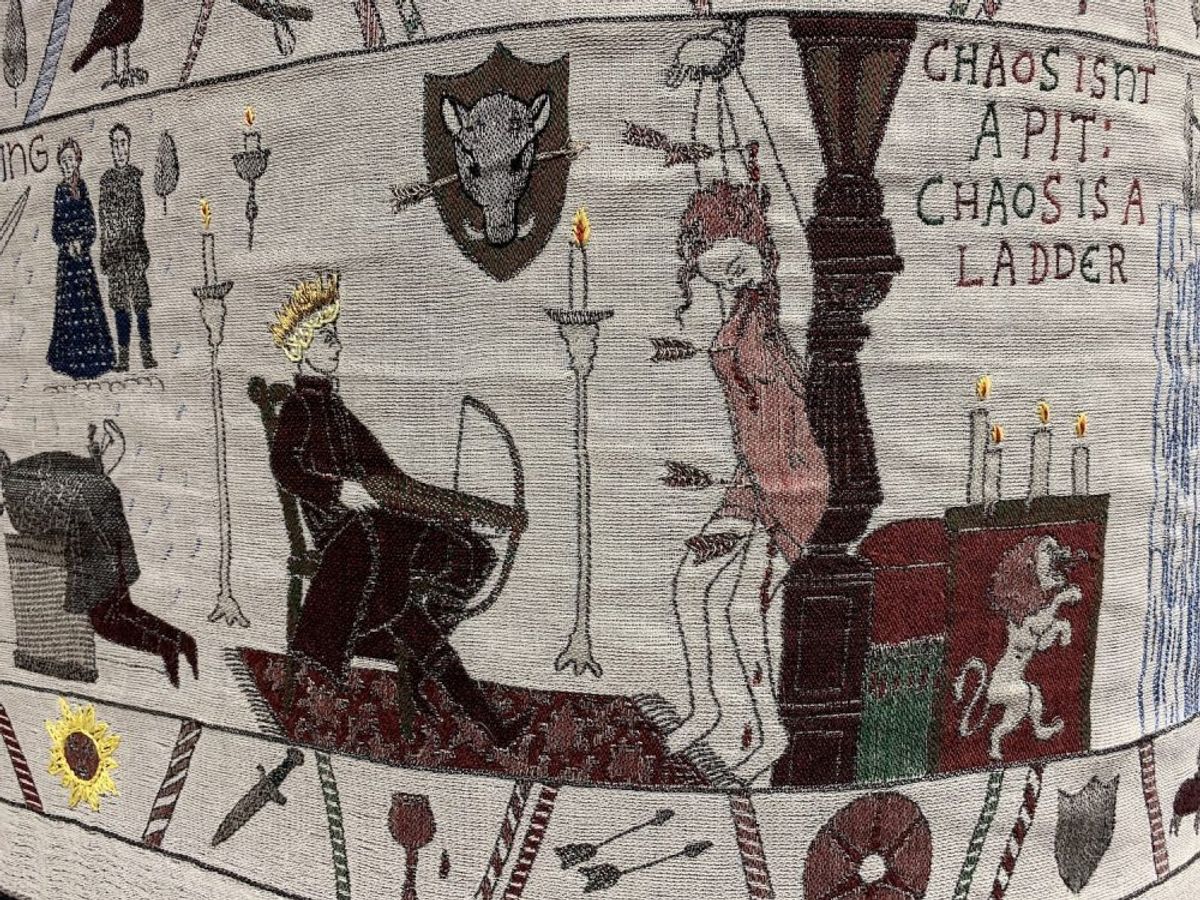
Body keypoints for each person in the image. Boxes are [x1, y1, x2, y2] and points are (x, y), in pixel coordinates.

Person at [268, 273, 528, 746]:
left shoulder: (338, 413)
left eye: (336, 336)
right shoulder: (298, 411)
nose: (338, 346)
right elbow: (285, 469)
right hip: (346, 537)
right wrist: (336, 492)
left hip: (373, 532)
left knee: (464, 554)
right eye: (327, 338)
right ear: (303, 347)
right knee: (402, 577)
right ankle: (431, 675)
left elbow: (396, 487)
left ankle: (482, 718)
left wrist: (471, 513)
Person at [659, 178, 829, 783]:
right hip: (751, 478)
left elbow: (793, 405)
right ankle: (706, 708)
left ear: (757, 242)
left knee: (740, 609)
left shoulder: (771, 315)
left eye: (735, 253)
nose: (726, 267)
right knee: (689, 585)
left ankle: (769, 733)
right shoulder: (743, 312)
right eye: (712, 261)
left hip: (792, 483)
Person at [0, 422, 197, 687]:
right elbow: (84, 469)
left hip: (93, 536)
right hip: (110, 518)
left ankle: (167, 647)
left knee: (105, 622)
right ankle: (182, 641)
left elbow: (33, 528)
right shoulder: (29, 466)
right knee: (122, 608)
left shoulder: (16, 491)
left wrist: (10, 508)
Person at [46, 138, 115, 380]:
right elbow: (56, 227)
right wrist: (67, 242)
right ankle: (69, 361)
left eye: (70, 159)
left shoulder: (82, 187)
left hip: (82, 261)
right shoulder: (59, 190)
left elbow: (90, 223)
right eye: (63, 160)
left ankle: (94, 360)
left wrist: (81, 241)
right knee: (69, 308)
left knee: (87, 306)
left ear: (77, 161)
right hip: (67, 262)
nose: (67, 164)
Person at [98, 123, 156, 371]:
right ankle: (123, 358)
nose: (119, 149)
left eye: (123, 143)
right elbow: (103, 218)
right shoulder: (106, 181)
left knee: (141, 303)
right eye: (115, 144)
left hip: (133, 249)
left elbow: (139, 215)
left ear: (129, 146)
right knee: (120, 305)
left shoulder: (134, 177)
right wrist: (105, 251)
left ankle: (146, 353)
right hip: (114, 252)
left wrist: (140, 249)